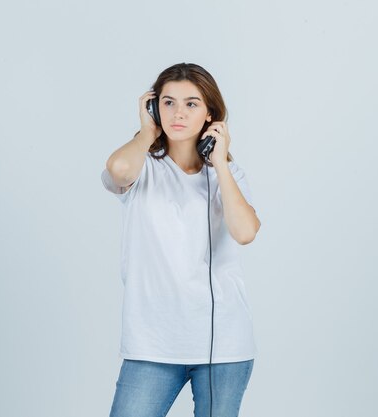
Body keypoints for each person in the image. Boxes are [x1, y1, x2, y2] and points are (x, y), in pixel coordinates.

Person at [101, 63, 261, 417]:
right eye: (168, 102)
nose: (178, 112)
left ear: (210, 115)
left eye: (191, 104)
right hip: (152, 346)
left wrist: (219, 162)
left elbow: (245, 232)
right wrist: (147, 132)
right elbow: (117, 170)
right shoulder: (144, 168)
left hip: (223, 348)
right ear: (154, 107)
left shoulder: (228, 175)